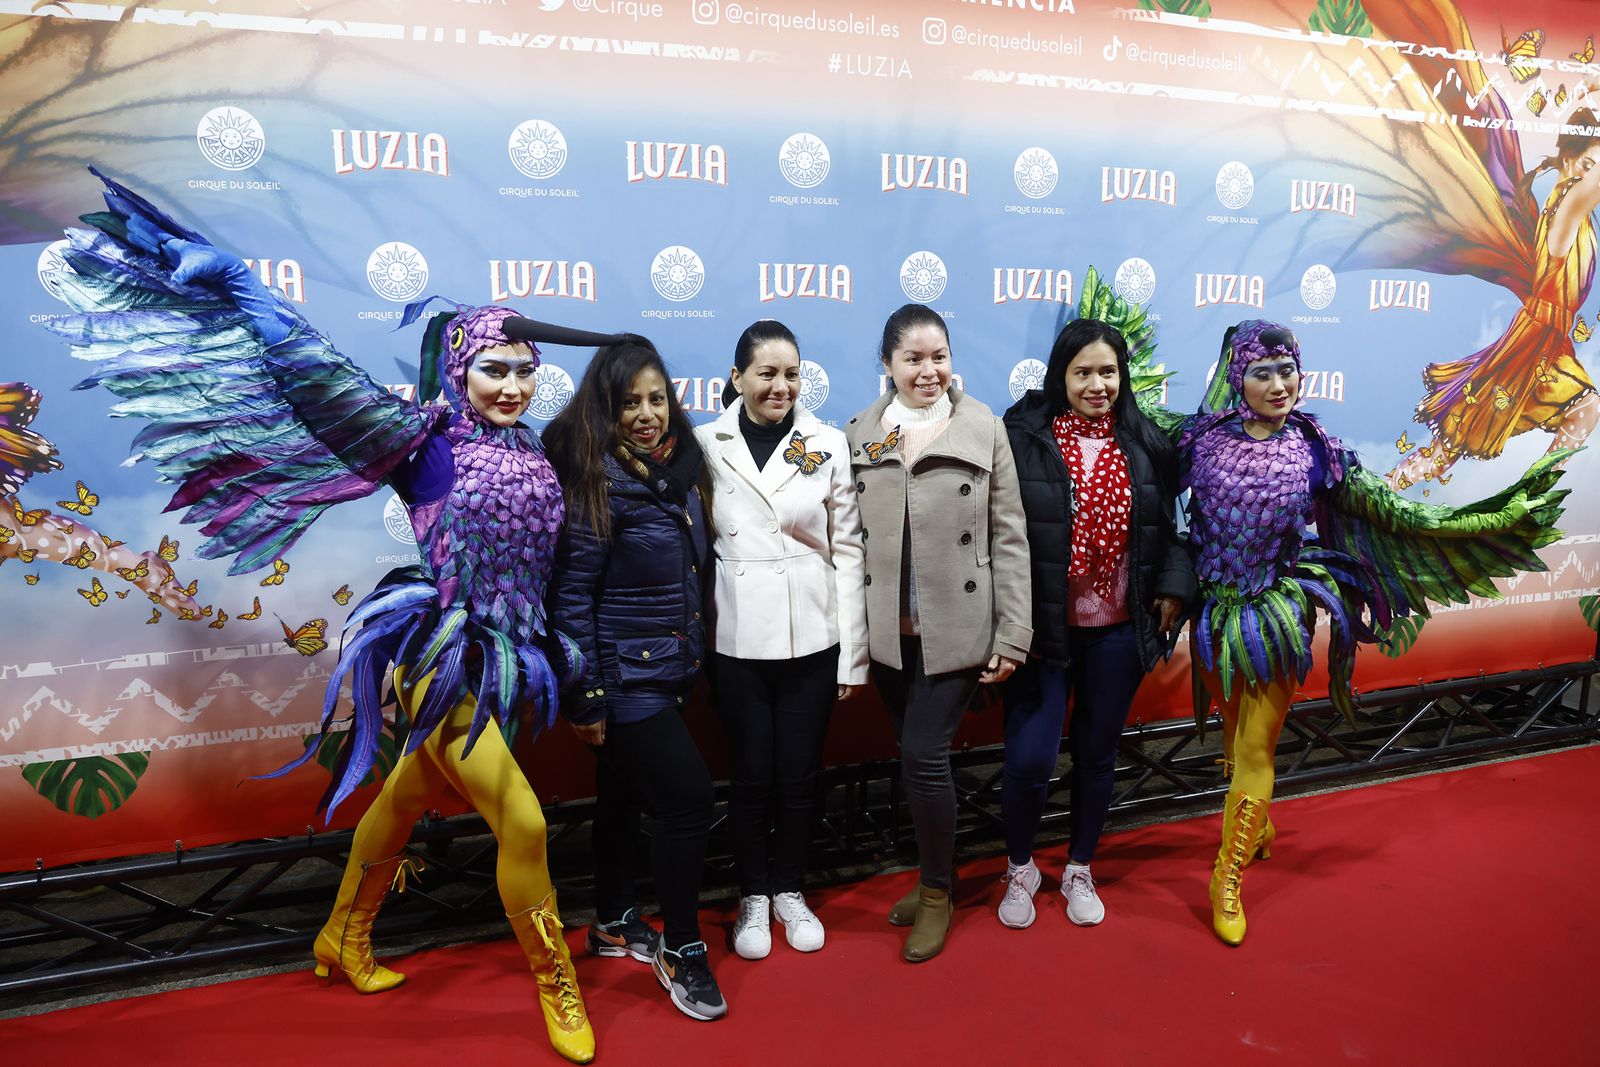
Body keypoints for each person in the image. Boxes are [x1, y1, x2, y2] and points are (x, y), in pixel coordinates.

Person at [48, 170, 616, 1063]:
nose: (511, 385)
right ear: (460, 371)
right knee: (526, 821)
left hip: (510, 656)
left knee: (407, 794)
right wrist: (243, 290)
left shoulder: (532, 453)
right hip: (440, 653)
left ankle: (341, 933)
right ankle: (555, 978)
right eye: (494, 369)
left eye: (525, 372)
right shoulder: (418, 445)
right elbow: (320, 378)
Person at [1172, 320, 1570, 946]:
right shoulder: (1200, 440)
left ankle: (1227, 875)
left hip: (1278, 616)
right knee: (1232, 730)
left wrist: (1487, 520)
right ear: (1235, 378)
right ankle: (1257, 825)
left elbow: (1396, 511)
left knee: (1255, 747)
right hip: (1218, 617)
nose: (1279, 385)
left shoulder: (1314, 448)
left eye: (1287, 370)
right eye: (1261, 373)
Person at [543, 338, 726, 1021]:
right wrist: (584, 691)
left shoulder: (675, 470)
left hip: (666, 666)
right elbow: (570, 598)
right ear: (604, 407)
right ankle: (681, 947)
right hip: (620, 678)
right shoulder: (595, 477)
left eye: (656, 398)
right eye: (630, 403)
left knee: (620, 798)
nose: (647, 414)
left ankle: (616, 919)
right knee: (686, 800)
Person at [844, 303, 1032, 963]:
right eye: (913, 358)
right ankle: (939, 876)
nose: (929, 370)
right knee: (911, 753)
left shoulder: (983, 426)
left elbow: (1009, 535)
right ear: (888, 365)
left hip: (960, 626)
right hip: (892, 632)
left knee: (924, 757)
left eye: (939, 356)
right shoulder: (861, 432)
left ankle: (934, 894)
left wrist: (1015, 633)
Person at [997, 318, 1195, 929]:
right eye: (1082, 372)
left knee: (1096, 753)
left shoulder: (1146, 442)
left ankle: (1080, 866)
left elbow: (1172, 531)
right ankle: (1020, 868)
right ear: (1061, 375)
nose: (1096, 384)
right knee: (1029, 759)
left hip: (1117, 630)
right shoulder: (1023, 437)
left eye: (1107, 372)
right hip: (1044, 631)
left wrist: (1172, 584)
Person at [696, 320, 867, 961]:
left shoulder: (825, 443)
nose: (780, 385)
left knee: (798, 775)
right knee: (749, 776)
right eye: (766, 373)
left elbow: (848, 549)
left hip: (812, 636)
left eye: (791, 373)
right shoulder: (703, 443)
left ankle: (791, 889)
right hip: (737, 637)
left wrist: (852, 653)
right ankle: (753, 895)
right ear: (737, 377)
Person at [1388, 105, 1600, 490]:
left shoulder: (1574, 211)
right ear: (1569, 160)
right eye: (1588, 163)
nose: (1592, 174)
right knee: (1579, 409)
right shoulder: (1568, 201)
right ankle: (1531, 498)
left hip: (1549, 337)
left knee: (1458, 437)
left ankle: (1531, 497)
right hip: (1536, 339)